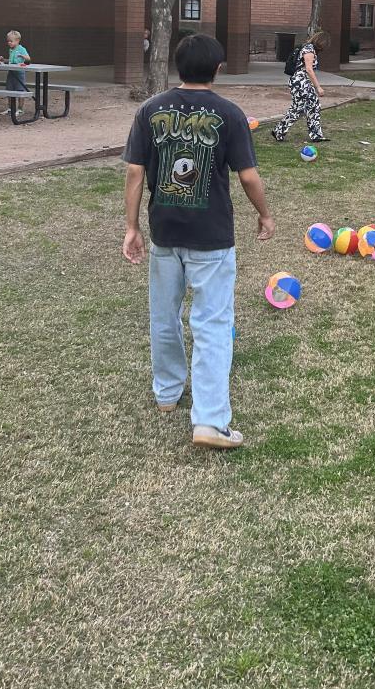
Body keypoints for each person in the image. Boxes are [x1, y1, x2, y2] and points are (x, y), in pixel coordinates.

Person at [122, 33, 275, 450]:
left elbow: (135, 172)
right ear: (218, 70)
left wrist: (132, 226)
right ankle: (209, 421)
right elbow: (248, 176)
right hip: (212, 238)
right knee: (212, 324)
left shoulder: (150, 110)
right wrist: (265, 213)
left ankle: (167, 392)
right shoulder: (230, 113)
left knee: (164, 315)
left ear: (178, 65)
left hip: (165, 232)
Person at [271, 29, 329, 143]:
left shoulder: (308, 48)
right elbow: (309, 69)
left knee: (313, 106)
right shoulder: (309, 49)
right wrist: (318, 87)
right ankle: (279, 131)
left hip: (301, 82)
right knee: (299, 109)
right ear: (321, 42)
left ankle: (316, 134)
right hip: (301, 82)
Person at [0, 30, 31, 114]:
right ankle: (10, 108)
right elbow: (11, 61)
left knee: (20, 90)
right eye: (8, 41)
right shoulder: (11, 49)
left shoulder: (21, 49)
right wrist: (3, 60)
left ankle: (20, 109)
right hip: (11, 72)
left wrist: (22, 56)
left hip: (19, 73)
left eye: (11, 41)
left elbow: (28, 59)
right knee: (9, 90)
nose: (9, 43)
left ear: (17, 40)